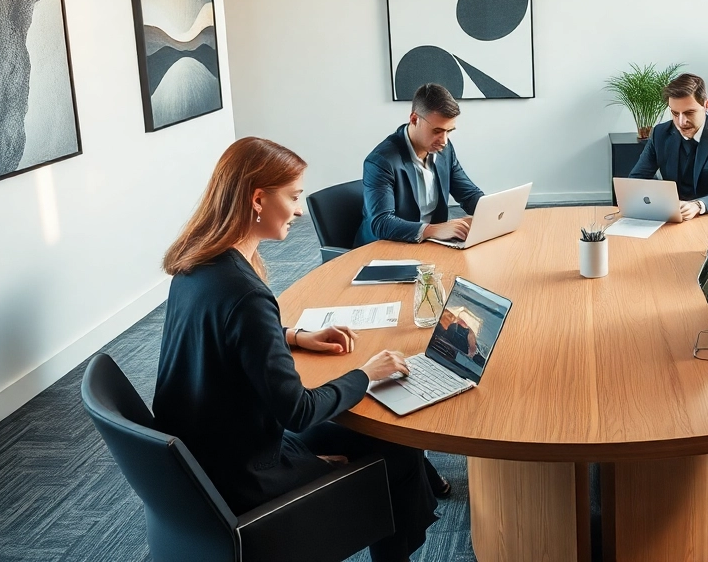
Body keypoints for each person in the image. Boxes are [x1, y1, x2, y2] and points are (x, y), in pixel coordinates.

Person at [153, 137, 438, 562]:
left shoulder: (194, 265)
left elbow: (222, 330)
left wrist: (292, 336)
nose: (301, 210)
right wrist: (367, 373)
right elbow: (298, 411)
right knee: (397, 451)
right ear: (257, 199)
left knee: (383, 444)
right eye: (294, 196)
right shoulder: (246, 295)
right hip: (248, 476)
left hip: (207, 462)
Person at [353, 83, 485, 246]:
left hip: (431, 245)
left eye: (449, 131)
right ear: (414, 119)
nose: (444, 141)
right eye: (437, 131)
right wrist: (433, 230)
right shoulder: (381, 161)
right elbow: (382, 223)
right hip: (384, 249)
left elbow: (469, 194)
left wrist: (492, 214)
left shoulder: (445, 150)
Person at [628, 73, 708, 220]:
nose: (681, 122)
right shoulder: (660, 133)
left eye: (689, 113)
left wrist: (698, 205)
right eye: (674, 113)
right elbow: (637, 179)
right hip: (677, 217)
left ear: (706, 105)